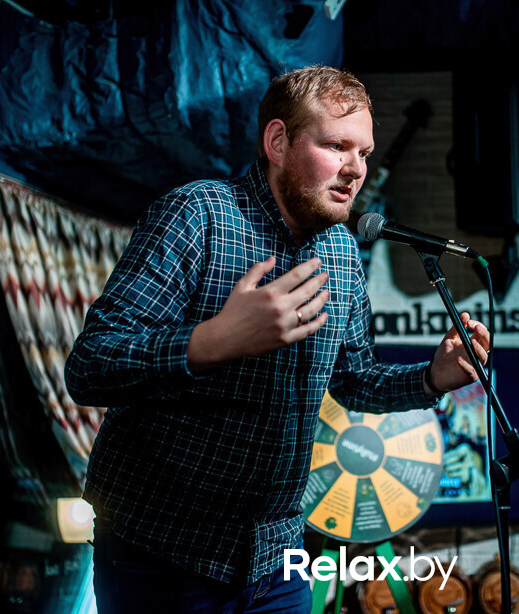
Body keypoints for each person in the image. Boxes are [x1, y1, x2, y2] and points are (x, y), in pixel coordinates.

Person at [64, 64, 490, 613]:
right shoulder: (198, 216)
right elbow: (90, 365)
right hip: (162, 550)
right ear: (278, 142)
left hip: (276, 558)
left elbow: (354, 381)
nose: (356, 169)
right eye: (336, 146)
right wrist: (211, 342)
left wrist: (432, 378)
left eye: (364, 152)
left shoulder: (341, 253)